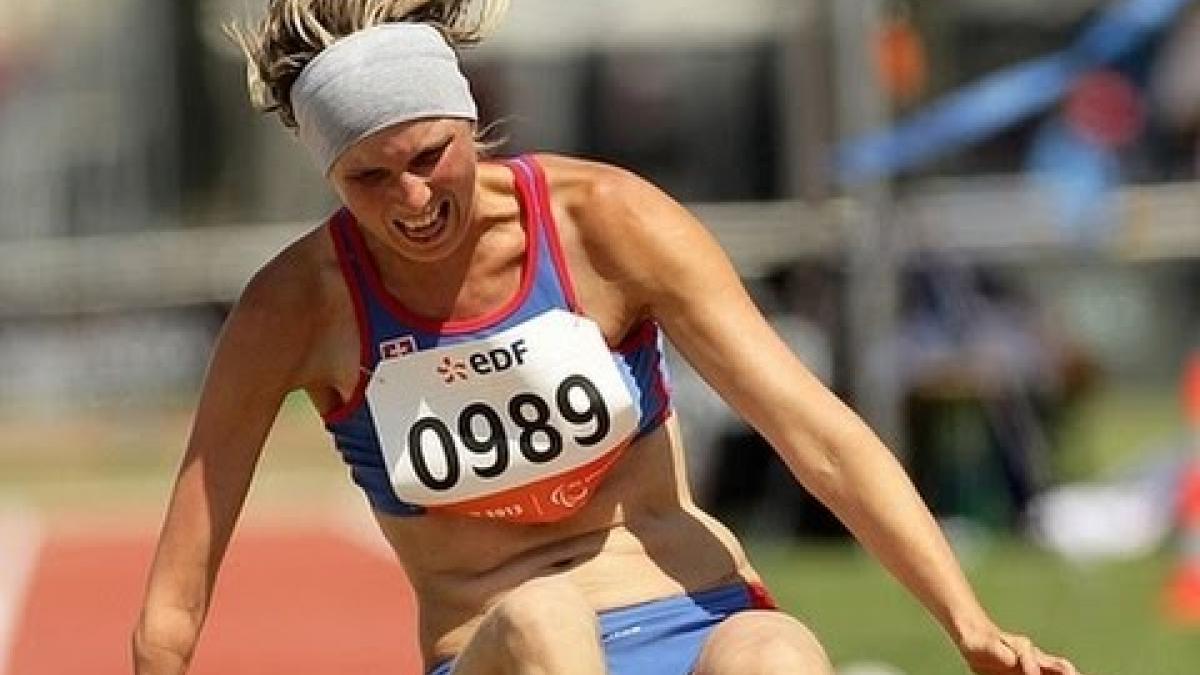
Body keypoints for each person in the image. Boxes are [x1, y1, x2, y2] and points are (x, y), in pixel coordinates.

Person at [132, 2, 1082, 674]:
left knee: (783, 656)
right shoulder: (297, 304)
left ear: (471, 122)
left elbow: (818, 434)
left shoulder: (607, 223)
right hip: (498, 646)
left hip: (694, 609)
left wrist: (970, 625)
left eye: (429, 158)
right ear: (330, 177)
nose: (413, 201)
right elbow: (182, 580)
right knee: (546, 622)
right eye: (369, 179)